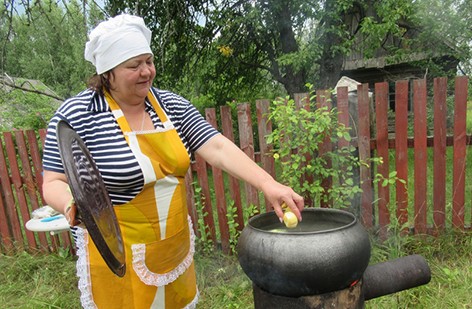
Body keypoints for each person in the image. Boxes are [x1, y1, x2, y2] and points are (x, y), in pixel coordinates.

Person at [42, 14, 304, 309]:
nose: (146, 72)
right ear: (108, 72)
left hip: (172, 248)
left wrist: (268, 183)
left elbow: (216, 146)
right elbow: (53, 182)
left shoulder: (171, 105)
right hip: (118, 257)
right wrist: (69, 204)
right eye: (134, 65)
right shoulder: (77, 115)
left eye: (148, 61)